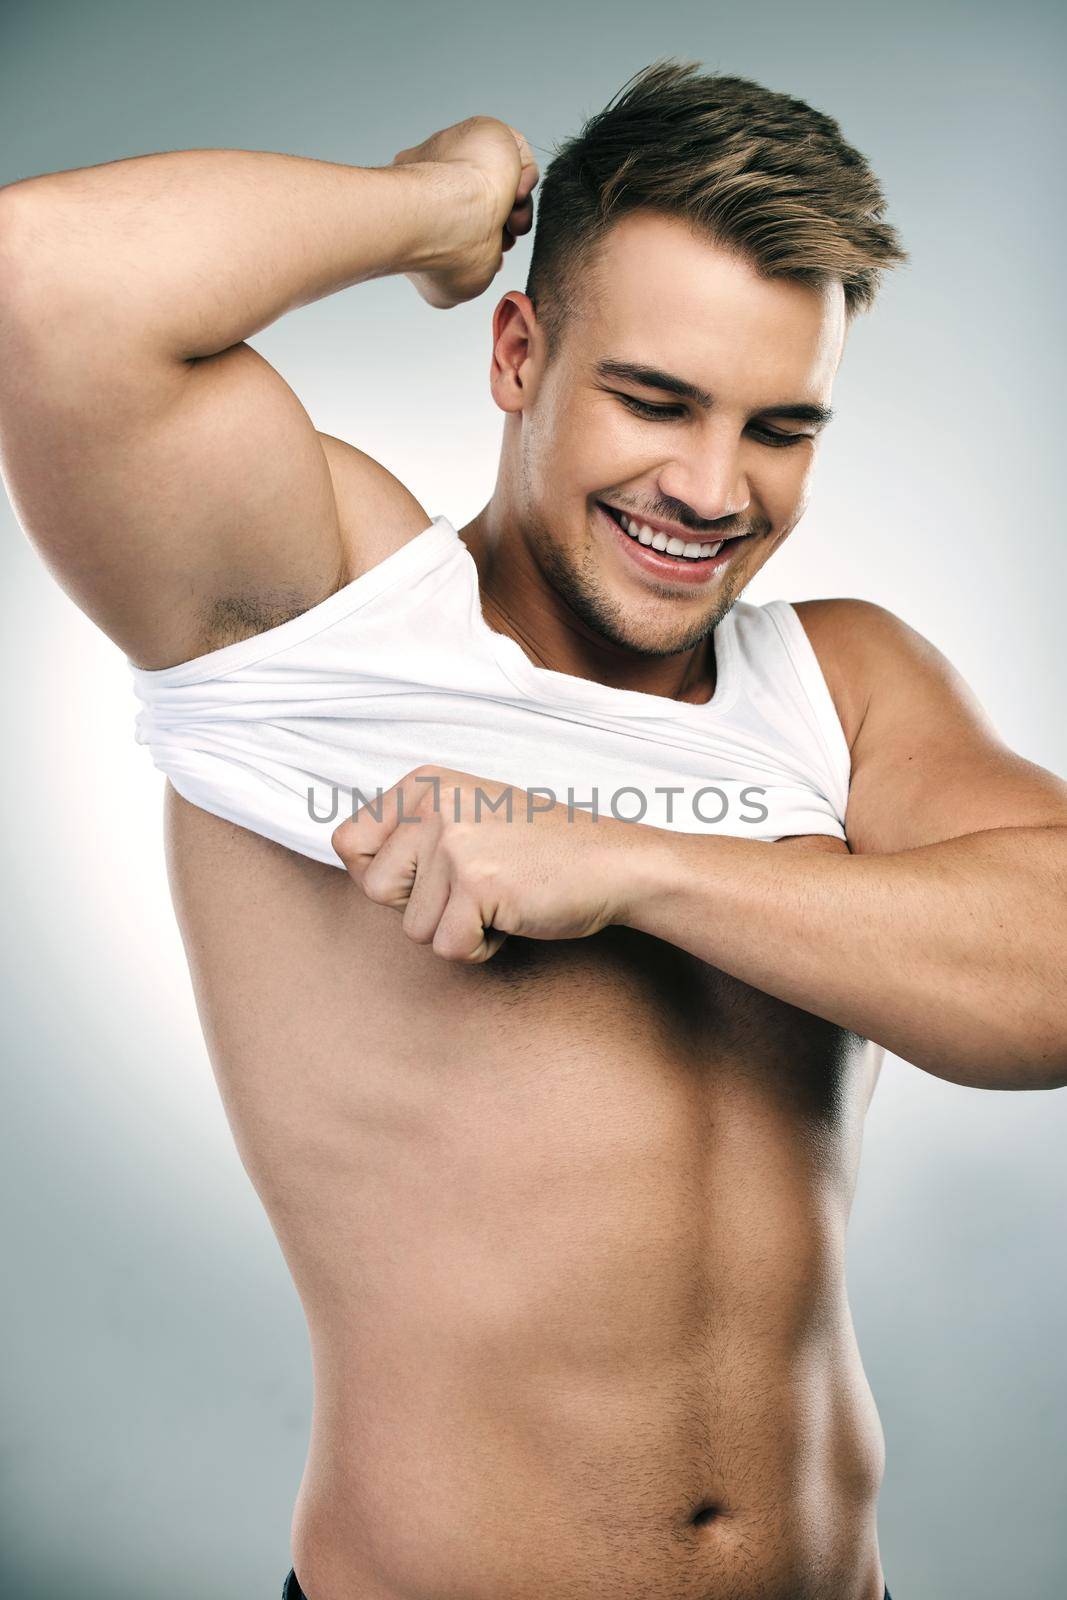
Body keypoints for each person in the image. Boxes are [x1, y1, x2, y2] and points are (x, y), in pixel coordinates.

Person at [2, 54, 1064, 1600]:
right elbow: (41, 280)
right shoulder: (325, 618)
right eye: (655, 400)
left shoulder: (845, 675)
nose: (711, 488)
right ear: (518, 350)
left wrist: (616, 857)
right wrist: (438, 207)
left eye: (781, 427)